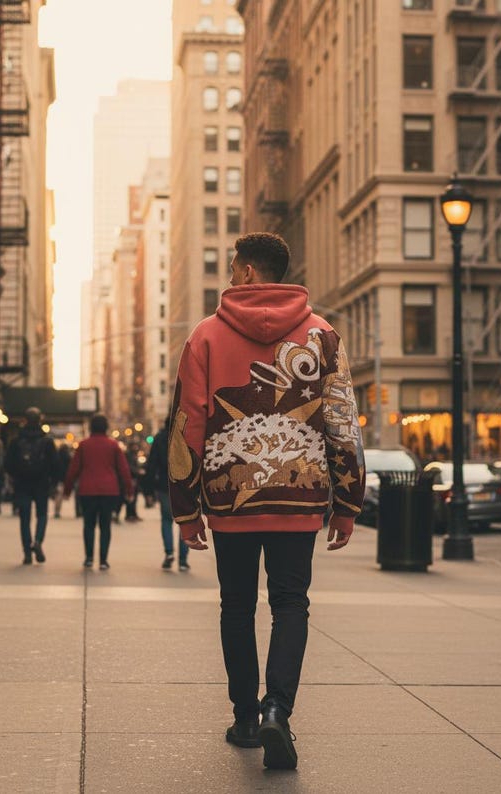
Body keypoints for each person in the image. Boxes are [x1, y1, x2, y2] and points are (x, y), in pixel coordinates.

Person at [169, 232, 365, 770]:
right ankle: (278, 708)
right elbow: (342, 423)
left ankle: (245, 719)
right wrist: (347, 502)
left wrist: (186, 511)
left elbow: (188, 425)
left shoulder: (205, 336)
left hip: (230, 500)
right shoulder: (323, 335)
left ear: (250, 272)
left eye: (235, 269)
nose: (231, 278)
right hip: (299, 499)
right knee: (290, 603)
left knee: (237, 607)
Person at [63, 413, 133, 570]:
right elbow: (124, 469)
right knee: (105, 526)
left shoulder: (83, 445)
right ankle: (103, 560)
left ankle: (88, 558)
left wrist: (67, 489)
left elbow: (73, 470)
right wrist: (129, 489)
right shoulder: (113, 445)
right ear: (106, 427)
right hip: (109, 491)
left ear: (91, 427)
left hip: (87, 490)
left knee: (88, 525)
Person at [4, 407, 57, 565]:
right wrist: (54, 483)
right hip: (41, 483)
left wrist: (15, 477)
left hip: (22, 484)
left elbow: (8, 464)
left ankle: (27, 552)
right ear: (40, 420)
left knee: (24, 518)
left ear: (25, 420)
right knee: (42, 514)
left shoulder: (16, 440)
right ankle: (38, 541)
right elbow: (55, 465)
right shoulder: (47, 441)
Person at [144, 417, 189, 571]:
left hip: (165, 485)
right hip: (185, 486)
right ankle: (183, 560)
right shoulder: (186, 436)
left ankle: (169, 552)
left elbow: (151, 465)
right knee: (185, 521)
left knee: (166, 520)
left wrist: (148, 490)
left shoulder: (159, 438)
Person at [52, 443, 72, 519]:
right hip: (64, 479)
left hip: (57, 479)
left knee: (58, 495)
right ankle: (57, 511)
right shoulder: (68, 457)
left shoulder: (56, 457)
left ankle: (56, 511)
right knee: (60, 496)